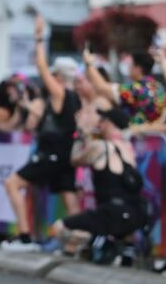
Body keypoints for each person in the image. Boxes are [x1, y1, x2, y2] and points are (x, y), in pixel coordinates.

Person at [1, 17, 81, 251]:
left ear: (58, 76)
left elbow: (41, 67)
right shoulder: (73, 96)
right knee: (69, 197)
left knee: (12, 184)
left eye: (53, 75)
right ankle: (76, 244)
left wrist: (38, 37)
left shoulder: (61, 93)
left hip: (51, 153)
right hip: (63, 154)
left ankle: (25, 237)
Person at [50, 101, 145, 260]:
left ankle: (98, 242)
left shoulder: (102, 147)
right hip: (136, 212)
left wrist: (81, 132)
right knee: (92, 221)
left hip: (111, 213)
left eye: (103, 121)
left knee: (59, 228)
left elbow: (75, 159)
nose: (100, 124)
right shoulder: (128, 148)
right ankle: (116, 247)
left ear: (108, 124)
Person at [84, 47, 166, 125]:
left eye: (130, 65)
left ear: (138, 68)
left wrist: (89, 63)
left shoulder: (135, 89)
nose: (128, 68)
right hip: (157, 136)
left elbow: (101, 87)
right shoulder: (159, 87)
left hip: (136, 136)